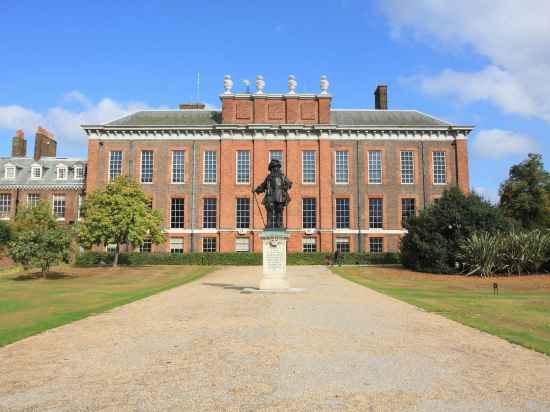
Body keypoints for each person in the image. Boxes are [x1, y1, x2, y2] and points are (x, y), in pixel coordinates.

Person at [254, 159, 292, 229]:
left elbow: (289, 183)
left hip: (280, 196)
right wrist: (257, 190)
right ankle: (269, 225)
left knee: (279, 210)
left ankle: (279, 225)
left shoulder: (282, 177)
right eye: (273, 167)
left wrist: (285, 187)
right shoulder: (269, 177)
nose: (275, 169)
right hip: (270, 196)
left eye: (276, 167)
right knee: (269, 210)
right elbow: (263, 186)